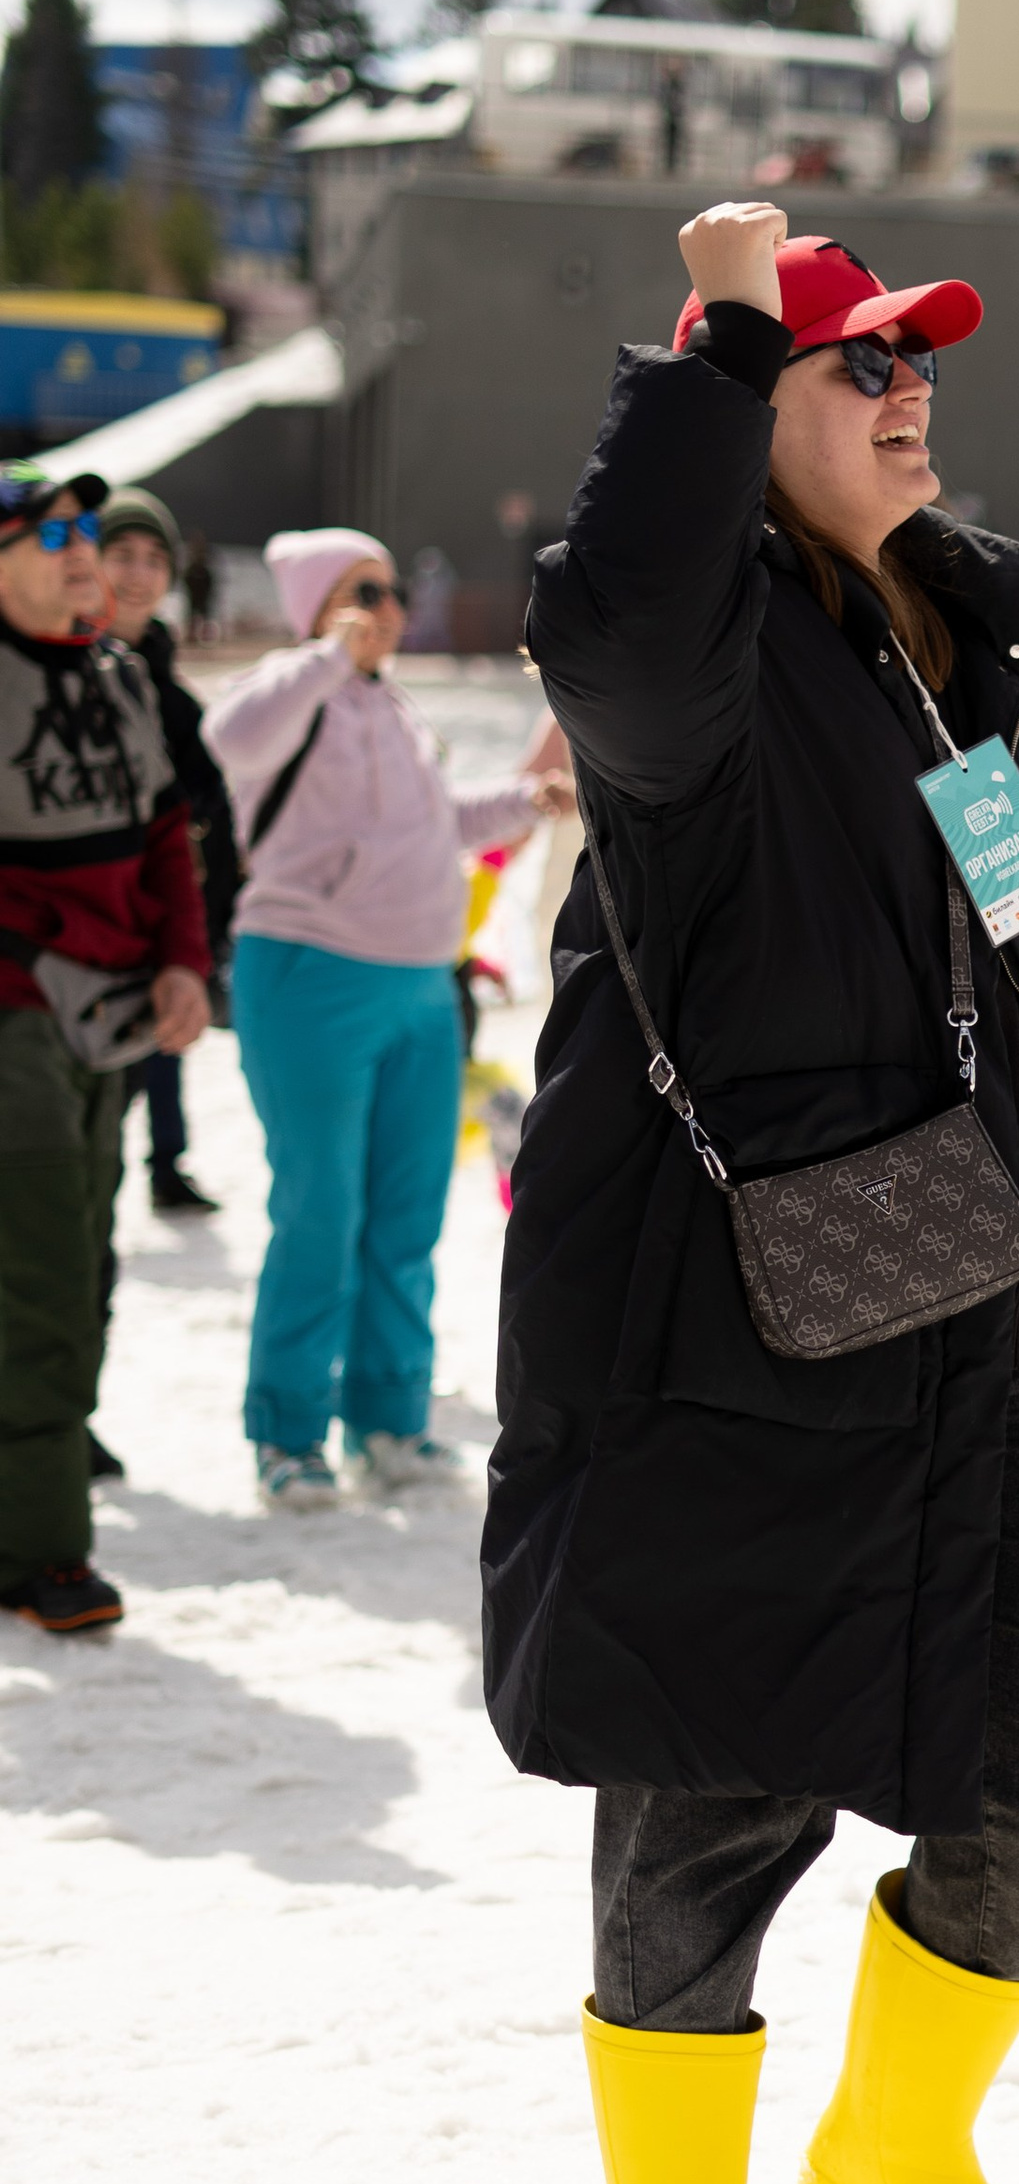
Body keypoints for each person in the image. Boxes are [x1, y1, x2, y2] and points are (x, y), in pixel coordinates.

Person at [484, 207, 1019, 2184]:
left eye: (912, 363)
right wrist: (705, 354)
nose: (901, 393)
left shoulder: (939, 633)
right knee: (721, 1776)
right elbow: (599, 620)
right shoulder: (694, 657)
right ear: (744, 408)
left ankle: (897, 2145)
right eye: (843, 364)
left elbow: (1000, 912)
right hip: (751, 1302)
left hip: (1008, 1271)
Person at [204, 529, 560, 1511]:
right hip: (312, 975)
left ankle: (388, 1420)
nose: (387, 608)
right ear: (318, 605)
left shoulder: (390, 707)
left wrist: (526, 799)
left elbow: (435, 825)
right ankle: (287, 1432)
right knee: (319, 1210)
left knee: (404, 1216)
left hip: (418, 986)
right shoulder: (296, 687)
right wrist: (328, 654)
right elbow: (227, 744)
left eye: (394, 590)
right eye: (362, 591)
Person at [0, 466, 210, 1633]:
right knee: (39, 1275)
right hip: (17, 1006)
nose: (87, 550)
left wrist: (183, 963)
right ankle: (45, 1553)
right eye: (55, 532)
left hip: (114, 1012)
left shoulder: (121, 676)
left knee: (80, 1263)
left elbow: (164, 839)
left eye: (93, 528)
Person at [95, 486, 237, 1217]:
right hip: (81, 933)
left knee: (163, 1042)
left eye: (156, 559)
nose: (140, 573)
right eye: (122, 554)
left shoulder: (174, 697)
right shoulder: (56, 672)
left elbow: (211, 810)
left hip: (159, 919)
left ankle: (166, 1162)